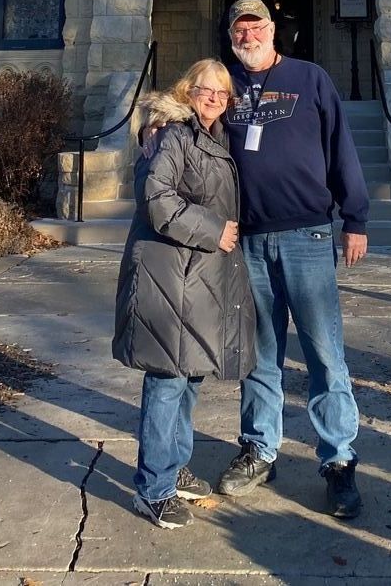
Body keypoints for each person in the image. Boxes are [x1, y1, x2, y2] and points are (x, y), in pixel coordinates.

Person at [217, 0, 369, 519]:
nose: (248, 34)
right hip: (248, 241)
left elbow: (340, 145)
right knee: (259, 355)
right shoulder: (223, 85)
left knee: (324, 353)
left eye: (256, 24)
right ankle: (260, 449)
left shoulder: (310, 78)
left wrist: (356, 217)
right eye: (239, 27)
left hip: (306, 236)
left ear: (273, 29)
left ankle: (338, 460)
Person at [112, 58, 256, 529]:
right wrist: (214, 229)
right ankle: (152, 488)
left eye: (222, 93)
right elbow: (157, 199)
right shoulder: (172, 135)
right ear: (187, 90)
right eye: (205, 90)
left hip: (198, 278)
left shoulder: (215, 135)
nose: (214, 98)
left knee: (189, 375)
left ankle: (173, 468)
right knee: (167, 379)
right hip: (168, 275)